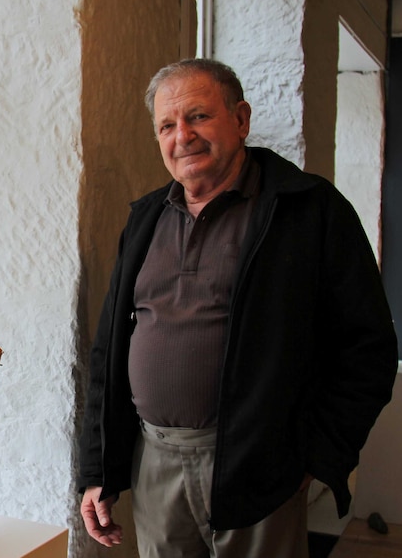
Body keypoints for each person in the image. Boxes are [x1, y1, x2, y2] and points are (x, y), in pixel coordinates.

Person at [77, 58, 398, 558]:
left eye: (199, 116)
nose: (182, 136)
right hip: (155, 462)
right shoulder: (144, 221)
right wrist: (98, 471)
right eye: (167, 125)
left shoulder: (308, 211)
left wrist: (315, 456)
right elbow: (107, 356)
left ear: (241, 119)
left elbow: (368, 349)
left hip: (260, 464)